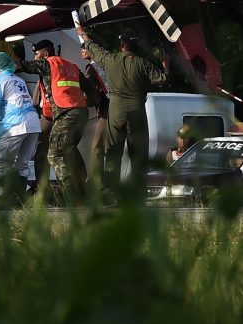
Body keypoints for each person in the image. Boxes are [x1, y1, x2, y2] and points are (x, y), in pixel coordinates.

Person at [78, 28, 169, 196]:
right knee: (138, 154)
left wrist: (84, 35)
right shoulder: (143, 64)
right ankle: (138, 193)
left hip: (116, 110)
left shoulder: (110, 60)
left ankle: (110, 192)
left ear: (122, 46)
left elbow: (94, 48)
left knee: (113, 152)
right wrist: (165, 63)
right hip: (137, 110)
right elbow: (162, 78)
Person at [11, 38, 93, 203]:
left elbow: (22, 65)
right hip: (80, 113)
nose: (35, 58)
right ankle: (81, 190)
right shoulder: (71, 66)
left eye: (36, 54)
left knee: (56, 154)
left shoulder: (48, 63)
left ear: (45, 53)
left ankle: (73, 198)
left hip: (65, 114)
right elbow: (89, 88)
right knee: (68, 149)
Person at [0, 52, 40, 202]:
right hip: (33, 124)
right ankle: (18, 201)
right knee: (22, 165)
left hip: (16, 124)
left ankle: (18, 197)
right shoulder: (19, 80)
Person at [81, 46, 110, 180]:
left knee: (97, 148)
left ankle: (96, 182)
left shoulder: (91, 68)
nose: (81, 51)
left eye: (84, 49)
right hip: (115, 106)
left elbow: (89, 91)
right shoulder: (106, 63)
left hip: (106, 110)